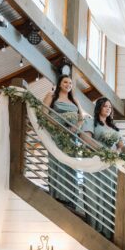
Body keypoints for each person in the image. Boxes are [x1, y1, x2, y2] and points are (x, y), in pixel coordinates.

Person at [80, 98, 123, 240]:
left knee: (109, 194)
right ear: (99, 107)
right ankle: (95, 228)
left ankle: (107, 230)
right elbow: (86, 138)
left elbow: (120, 144)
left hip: (110, 166)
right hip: (95, 162)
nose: (108, 109)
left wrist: (116, 153)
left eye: (110, 107)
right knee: (94, 193)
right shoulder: (91, 122)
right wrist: (104, 151)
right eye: (105, 106)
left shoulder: (113, 127)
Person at [42, 74, 86, 209]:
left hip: (71, 138)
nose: (68, 85)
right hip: (57, 135)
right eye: (66, 82)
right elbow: (44, 113)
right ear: (60, 83)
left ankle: (70, 196)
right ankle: (57, 195)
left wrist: (75, 128)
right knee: (58, 162)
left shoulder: (74, 99)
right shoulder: (51, 96)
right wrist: (58, 126)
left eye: (71, 83)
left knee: (70, 165)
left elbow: (81, 117)